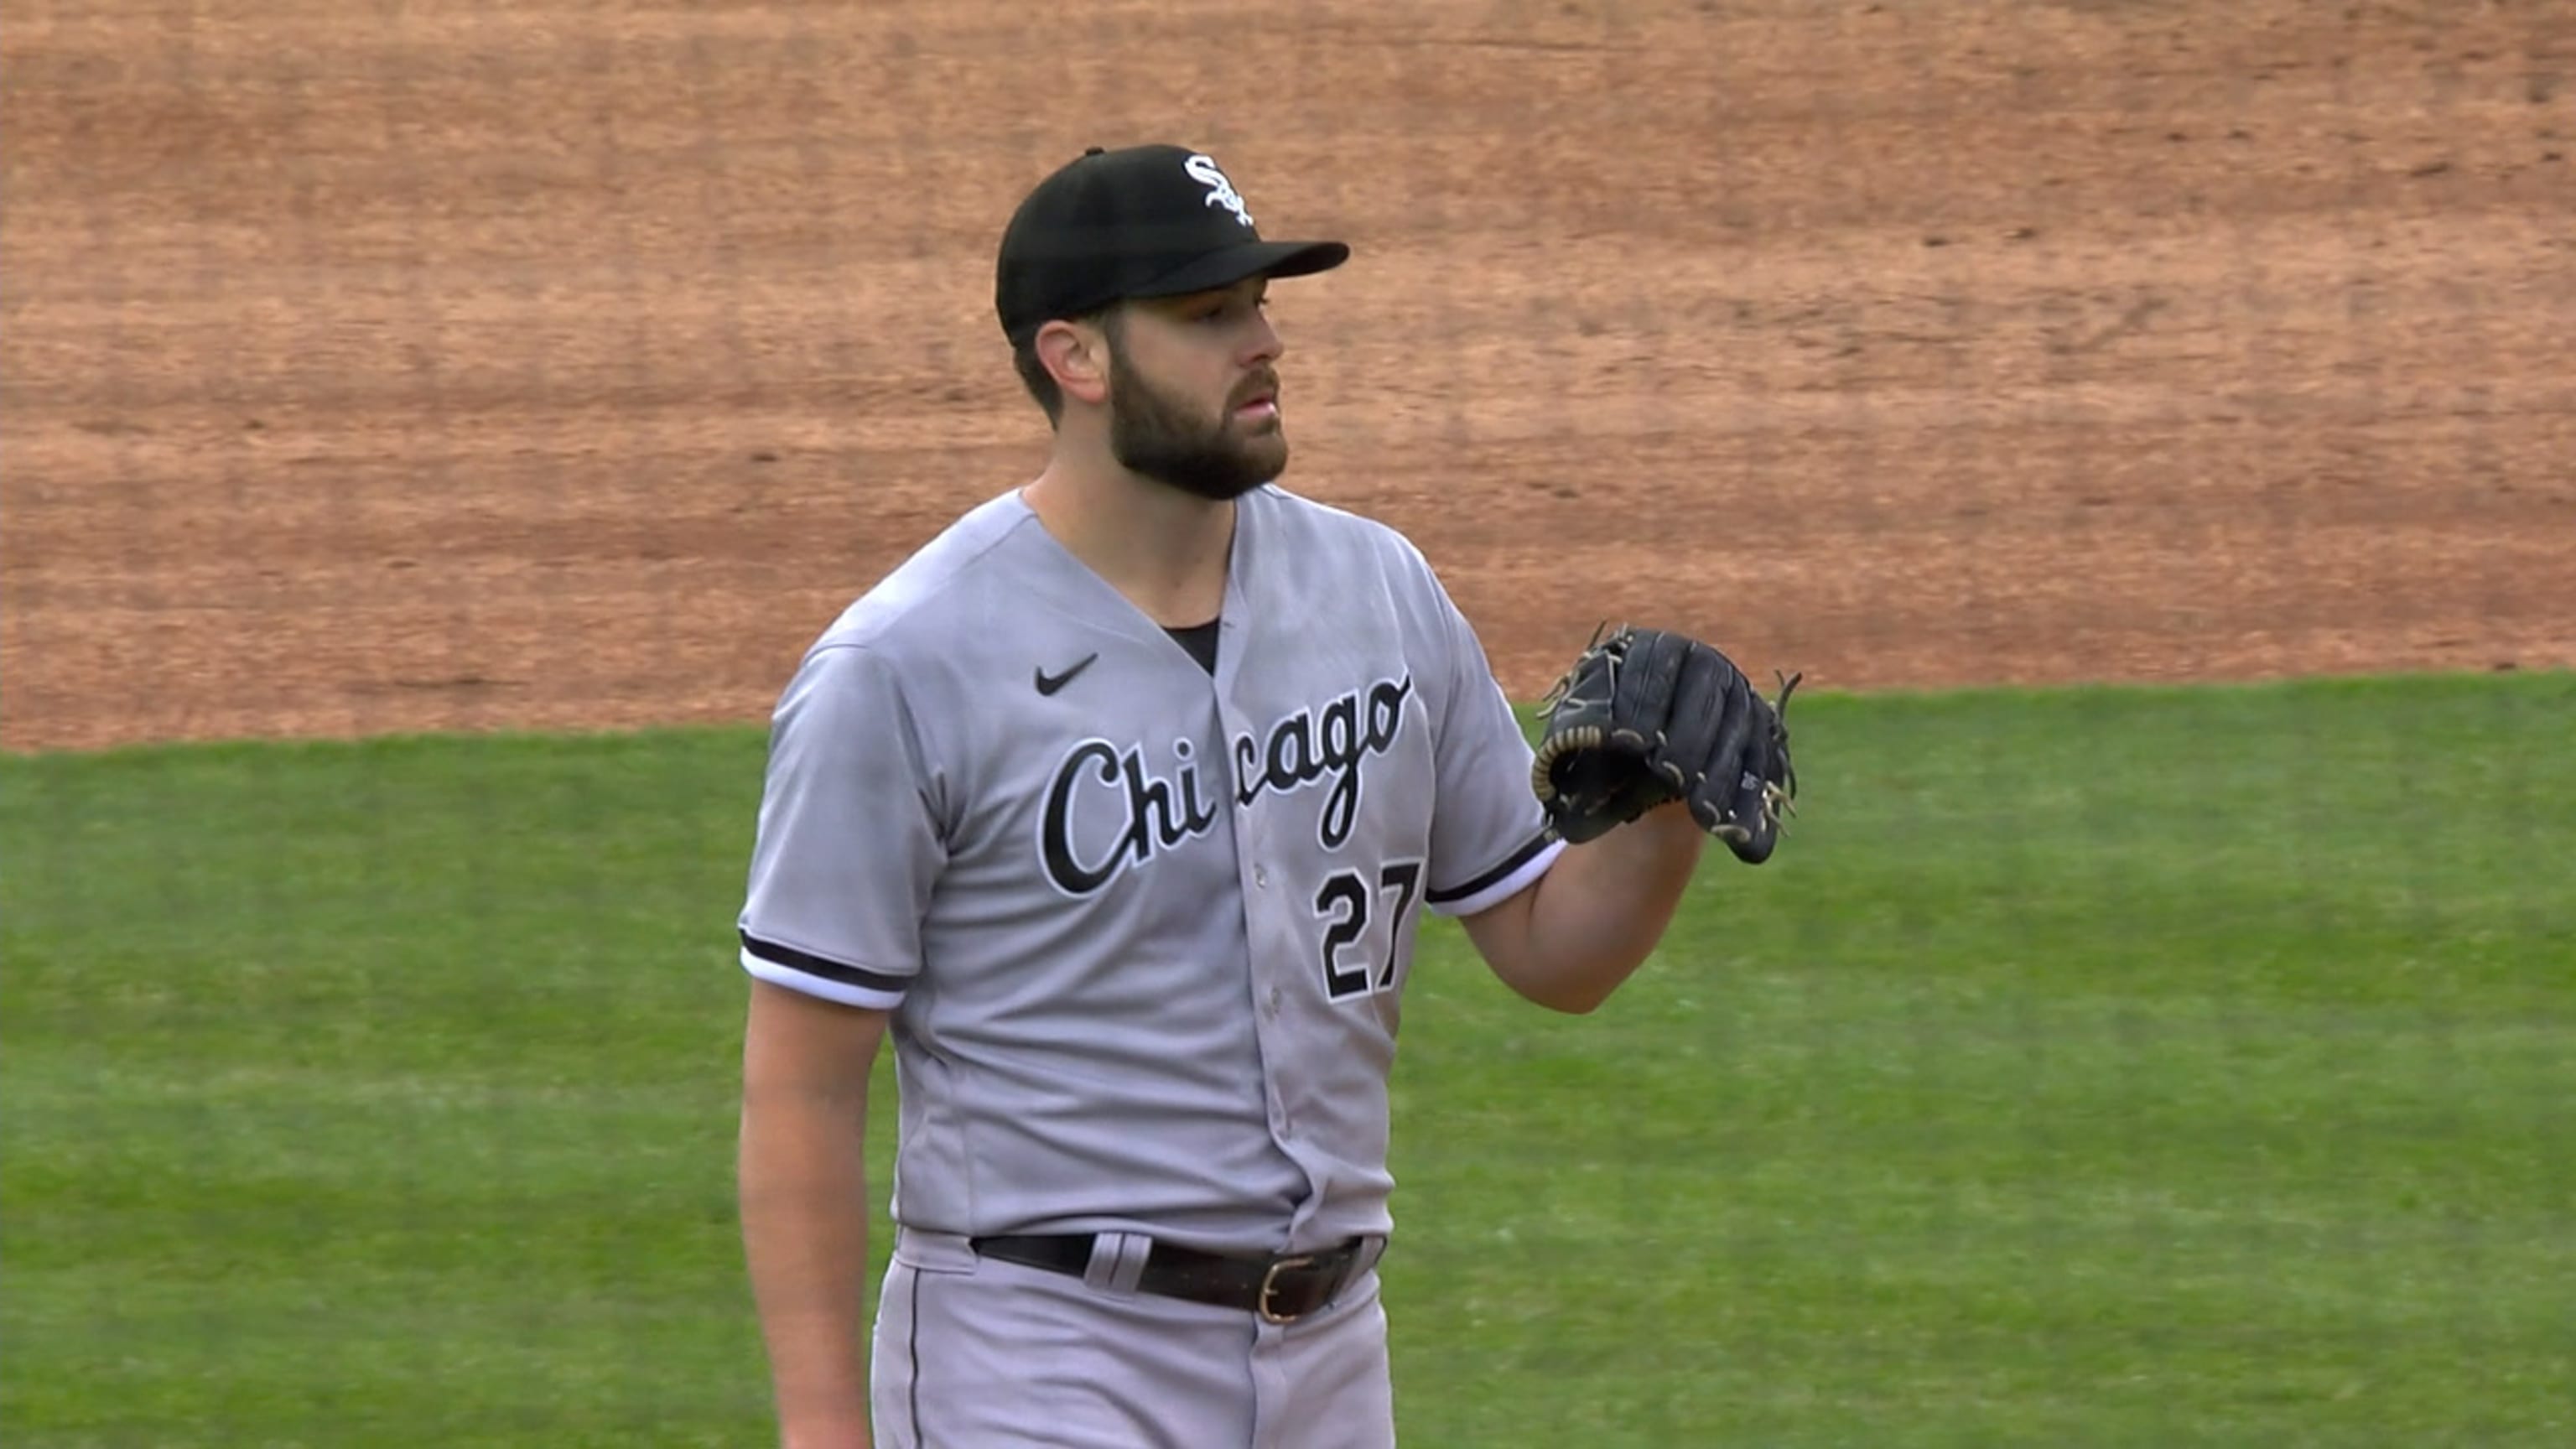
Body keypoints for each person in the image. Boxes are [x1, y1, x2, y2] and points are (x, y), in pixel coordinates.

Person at [734, 143, 1768, 1449]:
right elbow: (801, 1090)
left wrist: (1660, 815)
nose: (1264, 341)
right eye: (1208, 314)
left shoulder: (1379, 591)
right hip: (1044, 1360)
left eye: (1261, 304)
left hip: (1334, 1358)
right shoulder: (902, 669)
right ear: (1078, 358)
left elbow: (1554, 950)